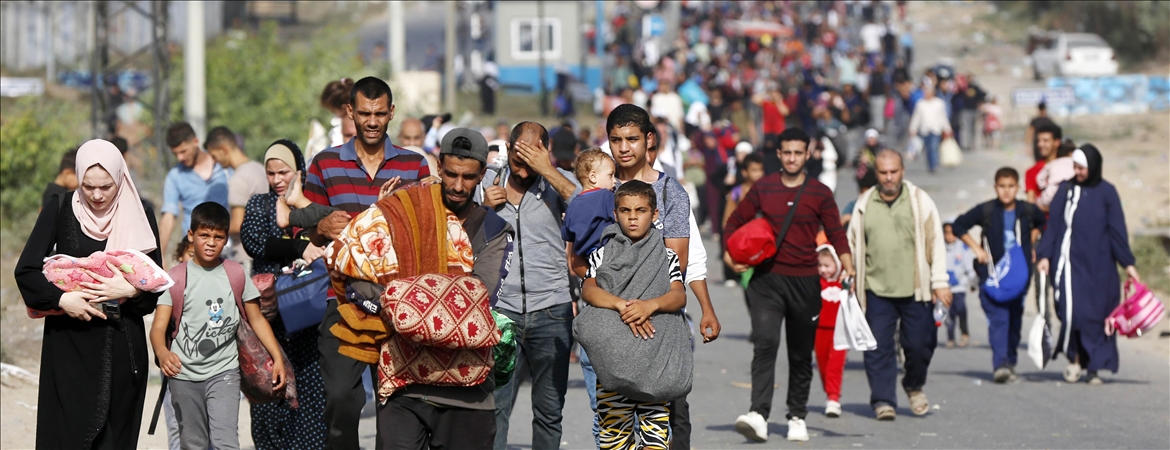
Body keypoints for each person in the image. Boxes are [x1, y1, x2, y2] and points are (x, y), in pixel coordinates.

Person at [304, 76, 431, 449]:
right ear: (350, 113)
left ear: (391, 113)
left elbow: (427, 232)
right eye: (364, 113)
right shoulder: (324, 164)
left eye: (379, 113)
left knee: (396, 406)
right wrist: (321, 225)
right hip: (341, 300)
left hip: (398, 304)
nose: (372, 122)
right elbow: (303, 230)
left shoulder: (414, 166)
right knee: (341, 397)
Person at [371, 128, 514, 449]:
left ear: (481, 176)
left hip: (468, 394)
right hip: (403, 387)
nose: (458, 186)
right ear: (438, 167)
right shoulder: (404, 214)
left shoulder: (493, 229)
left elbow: (477, 298)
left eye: (468, 177)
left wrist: (403, 292)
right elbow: (370, 279)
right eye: (451, 174)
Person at [15, 139, 163, 449]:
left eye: (106, 187)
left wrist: (131, 290)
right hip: (70, 348)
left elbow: (154, 286)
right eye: (88, 186)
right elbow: (26, 270)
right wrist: (61, 300)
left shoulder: (140, 212)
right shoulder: (60, 207)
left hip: (123, 349)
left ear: (120, 178)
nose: (96, 195)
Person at [725, 128, 854, 443]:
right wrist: (733, 256)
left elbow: (836, 232)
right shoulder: (763, 187)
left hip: (805, 283)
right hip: (766, 281)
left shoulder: (820, 193)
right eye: (787, 152)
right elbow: (733, 223)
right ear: (779, 155)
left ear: (808, 155)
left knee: (799, 354)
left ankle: (797, 414)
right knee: (765, 344)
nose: (793, 158)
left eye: (799, 152)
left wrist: (847, 262)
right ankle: (758, 414)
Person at [606, 104, 720, 449]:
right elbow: (585, 262)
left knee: (671, 423)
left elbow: (678, 261)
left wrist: (705, 308)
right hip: (611, 322)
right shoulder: (600, 191)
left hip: (662, 322)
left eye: (631, 139)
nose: (624, 148)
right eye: (615, 140)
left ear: (648, 140)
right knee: (613, 430)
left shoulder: (672, 194)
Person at [149, 202, 288, 450]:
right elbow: (158, 328)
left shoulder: (235, 274)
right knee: (194, 444)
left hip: (224, 372)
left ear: (225, 239)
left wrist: (277, 357)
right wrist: (162, 352)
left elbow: (256, 319)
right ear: (191, 236)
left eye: (218, 237)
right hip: (184, 375)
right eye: (204, 235)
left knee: (226, 442)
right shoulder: (176, 277)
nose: (211, 242)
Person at [480, 121, 581, 450]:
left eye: (533, 153)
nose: (524, 163)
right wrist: (482, 209)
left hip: (551, 310)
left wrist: (548, 170)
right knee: (495, 409)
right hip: (502, 313)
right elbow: (456, 233)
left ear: (546, 151)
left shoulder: (559, 185)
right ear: (508, 150)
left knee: (550, 411)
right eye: (518, 153)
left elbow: (588, 208)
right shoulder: (487, 183)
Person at [579, 180, 688, 450]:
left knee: (655, 442)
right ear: (615, 214)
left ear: (654, 215)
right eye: (625, 211)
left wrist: (649, 306)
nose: (632, 217)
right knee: (614, 442)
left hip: (654, 366)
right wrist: (621, 305)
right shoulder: (603, 254)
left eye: (640, 210)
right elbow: (589, 289)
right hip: (613, 367)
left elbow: (678, 295)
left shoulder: (667, 256)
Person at [846, 149, 952, 420]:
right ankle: (883, 400)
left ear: (903, 170)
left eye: (894, 171)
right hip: (875, 289)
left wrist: (940, 282)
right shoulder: (864, 204)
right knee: (877, 347)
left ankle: (914, 386)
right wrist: (850, 278)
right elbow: (852, 244)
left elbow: (935, 242)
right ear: (876, 174)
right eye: (883, 172)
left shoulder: (919, 201)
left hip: (916, 289)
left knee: (919, 345)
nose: (889, 177)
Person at [240, 140, 332, 449]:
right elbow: (254, 242)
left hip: (308, 319)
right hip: (269, 316)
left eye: (285, 172)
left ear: (300, 171)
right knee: (267, 389)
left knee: (310, 393)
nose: (278, 180)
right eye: (271, 173)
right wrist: (297, 247)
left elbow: (336, 228)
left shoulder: (312, 205)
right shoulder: (258, 205)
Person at [1037, 144, 1140, 385]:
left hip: (1101, 266)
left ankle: (1093, 366)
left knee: (1099, 315)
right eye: (1075, 167)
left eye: (1082, 167)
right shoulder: (1067, 189)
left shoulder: (1107, 192)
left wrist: (1128, 264)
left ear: (1093, 166)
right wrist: (1044, 256)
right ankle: (1075, 358)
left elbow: (1117, 231)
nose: (1078, 172)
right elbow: (1053, 227)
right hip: (1070, 265)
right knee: (1072, 312)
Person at [952, 168, 1046, 383]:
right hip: (992, 274)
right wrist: (976, 248)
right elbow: (959, 225)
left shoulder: (1027, 211)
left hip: (1019, 276)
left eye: (1011, 186)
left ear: (1018, 187)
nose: (1006, 191)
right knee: (999, 318)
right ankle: (1000, 364)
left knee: (1014, 319)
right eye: (1002, 187)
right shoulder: (987, 210)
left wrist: (1033, 238)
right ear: (996, 188)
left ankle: (1010, 361)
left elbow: (1043, 222)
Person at [159, 122, 230, 265]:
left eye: (183, 151)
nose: (180, 157)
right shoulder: (175, 176)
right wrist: (158, 256)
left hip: (228, 249)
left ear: (195, 142)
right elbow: (168, 216)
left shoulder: (224, 167)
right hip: (193, 252)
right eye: (175, 154)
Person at [204, 126, 269, 270]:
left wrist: (208, 230)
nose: (215, 162)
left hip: (247, 258)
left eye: (214, 156)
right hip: (265, 253)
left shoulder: (239, 178)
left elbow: (238, 225)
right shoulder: (259, 169)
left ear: (223, 149)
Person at [814, 240, 847, 419]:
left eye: (827, 265)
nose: (823, 269)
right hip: (819, 330)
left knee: (836, 363)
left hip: (839, 330)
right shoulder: (816, 282)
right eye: (820, 265)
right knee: (823, 364)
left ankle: (833, 398)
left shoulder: (845, 283)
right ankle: (829, 391)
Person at [941, 221, 976, 349]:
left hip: (959, 287)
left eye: (952, 233)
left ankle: (965, 333)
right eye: (947, 233)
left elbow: (969, 267)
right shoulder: (939, 248)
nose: (950, 236)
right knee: (948, 315)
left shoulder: (963, 248)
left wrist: (972, 281)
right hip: (944, 288)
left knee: (960, 309)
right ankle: (950, 338)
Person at [907, 84, 952, 174]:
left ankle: (934, 165)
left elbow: (943, 117)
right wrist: (913, 128)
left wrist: (947, 129)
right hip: (924, 130)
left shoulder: (939, 103)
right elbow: (916, 117)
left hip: (935, 129)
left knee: (934, 147)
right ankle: (930, 164)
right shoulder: (920, 104)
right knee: (927, 148)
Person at [1025, 122, 1062, 204]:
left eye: (1046, 141)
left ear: (1057, 142)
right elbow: (1030, 204)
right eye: (1039, 141)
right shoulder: (1031, 172)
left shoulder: (1069, 168)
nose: (1040, 144)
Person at [1036, 139, 1076, 213]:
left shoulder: (1052, 163)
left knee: (1038, 203)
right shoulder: (1075, 163)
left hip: (1052, 189)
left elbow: (1040, 178)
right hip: (1069, 191)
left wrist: (1044, 185)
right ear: (1071, 153)